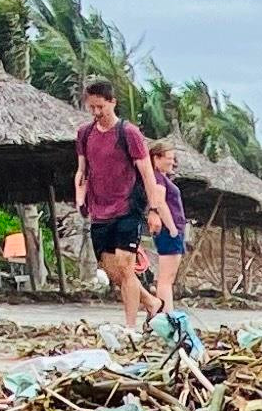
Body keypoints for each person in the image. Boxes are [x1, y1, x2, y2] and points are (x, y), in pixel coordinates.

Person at [73, 77, 155, 333]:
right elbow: (82, 171)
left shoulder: (128, 133)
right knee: (112, 272)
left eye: (101, 107)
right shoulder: (84, 134)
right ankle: (152, 302)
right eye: (92, 108)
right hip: (99, 210)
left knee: (125, 266)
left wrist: (153, 209)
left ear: (113, 103)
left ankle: (130, 326)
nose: (97, 113)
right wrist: (80, 196)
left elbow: (147, 173)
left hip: (128, 208)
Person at [141, 136, 191, 325]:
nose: (172, 161)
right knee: (166, 279)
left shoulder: (160, 178)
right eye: (169, 157)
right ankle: (168, 315)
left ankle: (165, 313)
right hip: (171, 231)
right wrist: (171, 228)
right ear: (156, 158)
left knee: (167, 278)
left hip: (173, 230)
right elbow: (160, 203)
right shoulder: (158, 179)